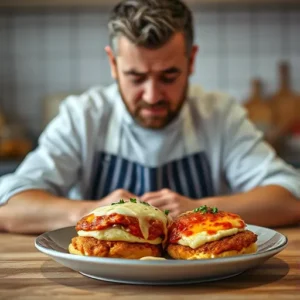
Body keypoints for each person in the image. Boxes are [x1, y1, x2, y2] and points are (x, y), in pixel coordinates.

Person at [0, 0, 299, 234]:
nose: (152, 95)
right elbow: (10, 207)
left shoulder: (220, 114)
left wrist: (201, 210)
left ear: (191, 60)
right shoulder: (83, 116)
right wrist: (95, 212)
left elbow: (289, 198)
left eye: (169, 76)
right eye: (136, 77)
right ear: (113, 64)